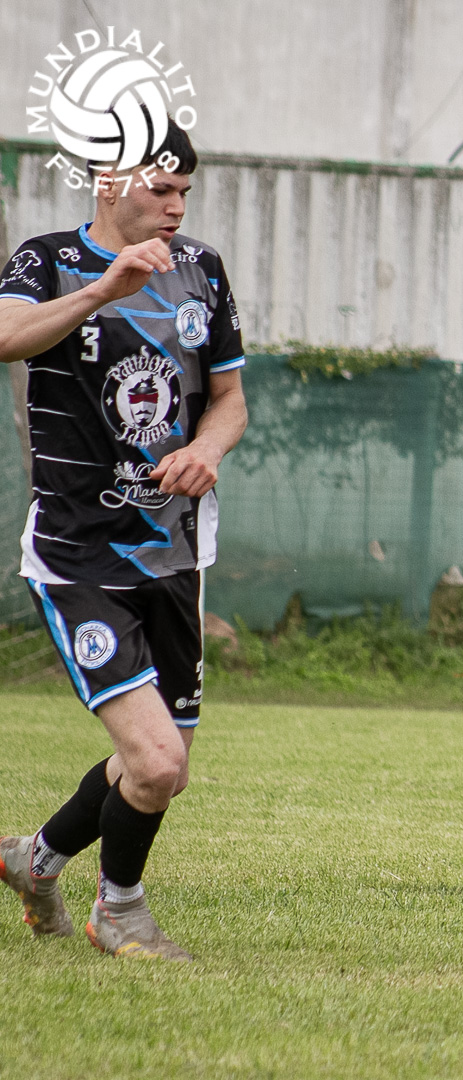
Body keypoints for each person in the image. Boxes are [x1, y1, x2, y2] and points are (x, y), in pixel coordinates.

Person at [0, 122, 248, 962]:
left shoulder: (202, 270)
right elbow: (6, 337)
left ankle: (34, 861)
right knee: (154, 761)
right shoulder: (47, 261)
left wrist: (207, 449)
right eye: (162, 189)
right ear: (109, 181)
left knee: (162, 766)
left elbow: (230, 401)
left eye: (185, 193)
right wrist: (104, 290)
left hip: (174, 554)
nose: (177, 207)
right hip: (78, 556)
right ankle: (120, 910)